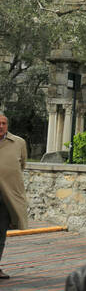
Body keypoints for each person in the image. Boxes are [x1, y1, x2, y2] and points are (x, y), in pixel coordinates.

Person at [0, 112, 27, 281]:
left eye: (3, 123)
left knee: (0, 234)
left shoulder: (19, 143)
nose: (1, 126)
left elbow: (22, 165)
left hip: (5, 197)